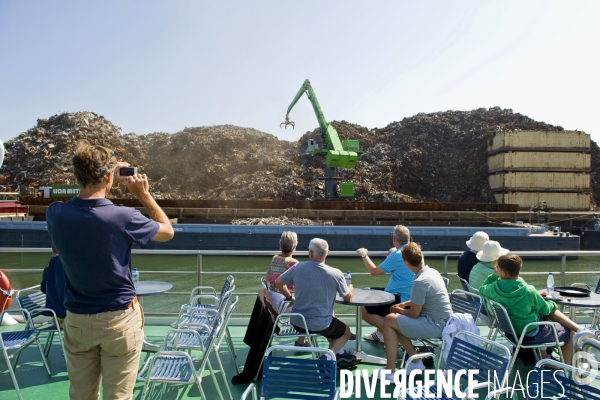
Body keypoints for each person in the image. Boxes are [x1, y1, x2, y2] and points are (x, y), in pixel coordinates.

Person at [47, 141, 174, 400]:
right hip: (119, 320)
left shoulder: (55, 213)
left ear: (77, 175)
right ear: (108, 176)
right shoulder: (123, 217)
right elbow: (167, 231)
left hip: (77, 320)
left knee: (81, 395)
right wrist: (143, 194)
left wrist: (104, 178)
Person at [479, 254, 583, 364]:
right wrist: (552, 303)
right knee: (568, 332)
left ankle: (544, 355)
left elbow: (481, 289)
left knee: (539, 315)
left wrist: (493, 276)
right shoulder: (529, 291)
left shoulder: (493, 288)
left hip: (511, 333)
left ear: (503, 272)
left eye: (498, 268)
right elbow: (547, 309)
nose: (496, 269)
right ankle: (564, 369)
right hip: (530, 335)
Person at [275, 238, 358, 368]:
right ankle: (328, 356)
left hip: (297, 322)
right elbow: (348, 298)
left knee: (333, 325)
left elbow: (278, 283)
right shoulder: (336, 273)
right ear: (327, 253)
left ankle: (339, 354)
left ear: (311, 253)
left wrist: (290, 297)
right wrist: (350, 288)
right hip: (321, 324)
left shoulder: (298, 267)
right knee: (346, 331)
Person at [375, 242, 453, 379]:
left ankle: (390, 371)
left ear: (406, 261)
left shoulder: (420, 282)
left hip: (436, 325)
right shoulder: (431, 272)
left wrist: (398, 310)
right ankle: (416, 362)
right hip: (443, 321)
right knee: (393, 323)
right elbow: (420, 301)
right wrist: (402, 306)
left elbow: (414, 313)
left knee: (389, 320)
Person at [356, 225, 414, 343]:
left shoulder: (397, 255)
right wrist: (394, 250)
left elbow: (374, 271)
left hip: (401, 300)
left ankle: (392, 333)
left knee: (364, 308)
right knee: (369, 291)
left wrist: (364, 254)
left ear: (394, 239)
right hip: (412, 299)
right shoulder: (414, 251)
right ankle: (381, 333)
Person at [264, 231, 307, 347]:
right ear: (294, 246)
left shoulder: (275, 258)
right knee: (309, 308)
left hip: (272, 300)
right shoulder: (294, 263)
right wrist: (291, 296)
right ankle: (301, 341)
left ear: (280, 244)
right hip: (284, 303)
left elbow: (267, 278)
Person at [40, 243, 66, 322]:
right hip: (68, 314)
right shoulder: (69, 264)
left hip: (57, 314)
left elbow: (43, 288)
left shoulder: (51, 265)